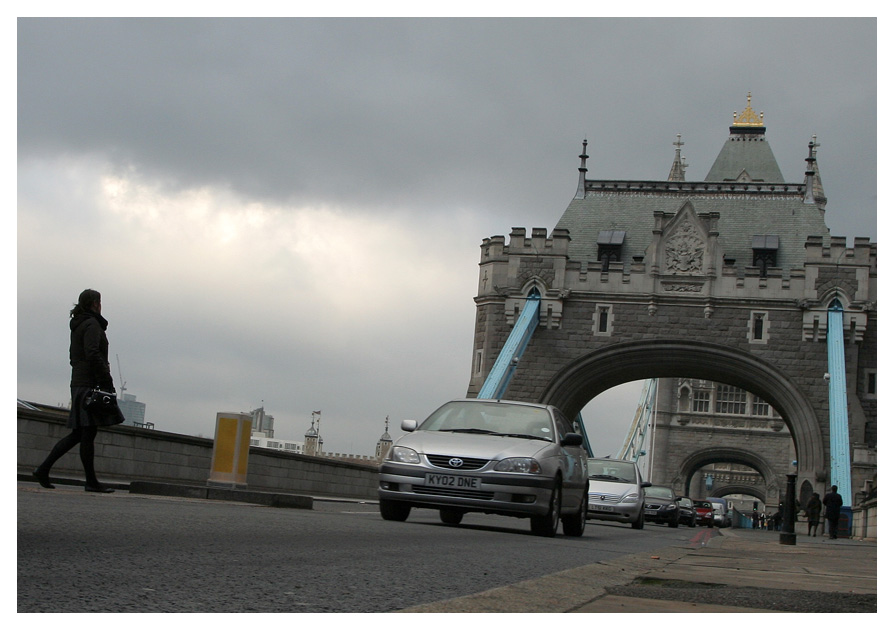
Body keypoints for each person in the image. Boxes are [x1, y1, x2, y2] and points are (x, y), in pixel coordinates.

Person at [33, 289, 125, 493]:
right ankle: (90, 482)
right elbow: (92, 353)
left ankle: (44, 469)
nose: (101, 306)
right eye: (100, 302)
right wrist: (106, 380)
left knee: (79, 433)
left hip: (79, 382)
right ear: (94, 303)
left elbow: (73, 357)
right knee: (87, 433)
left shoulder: (78, 325)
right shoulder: (92, 324)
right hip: (89, 384)